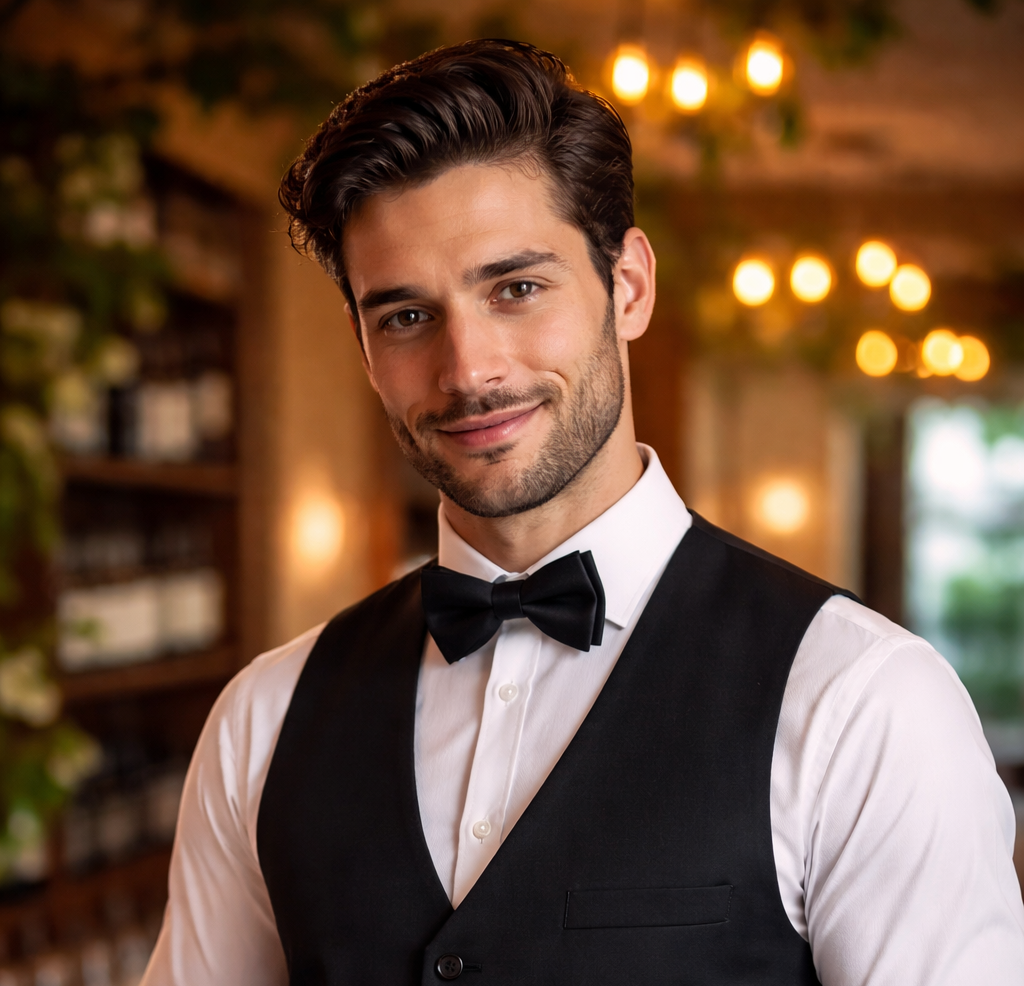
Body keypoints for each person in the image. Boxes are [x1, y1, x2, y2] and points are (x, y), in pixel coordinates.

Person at [141, 39, 1024, 986]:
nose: (468, 369)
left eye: (517, 289)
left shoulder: (864, 701)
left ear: (629, 287)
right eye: (404, 316)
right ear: (364, 348)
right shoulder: (262, 722)